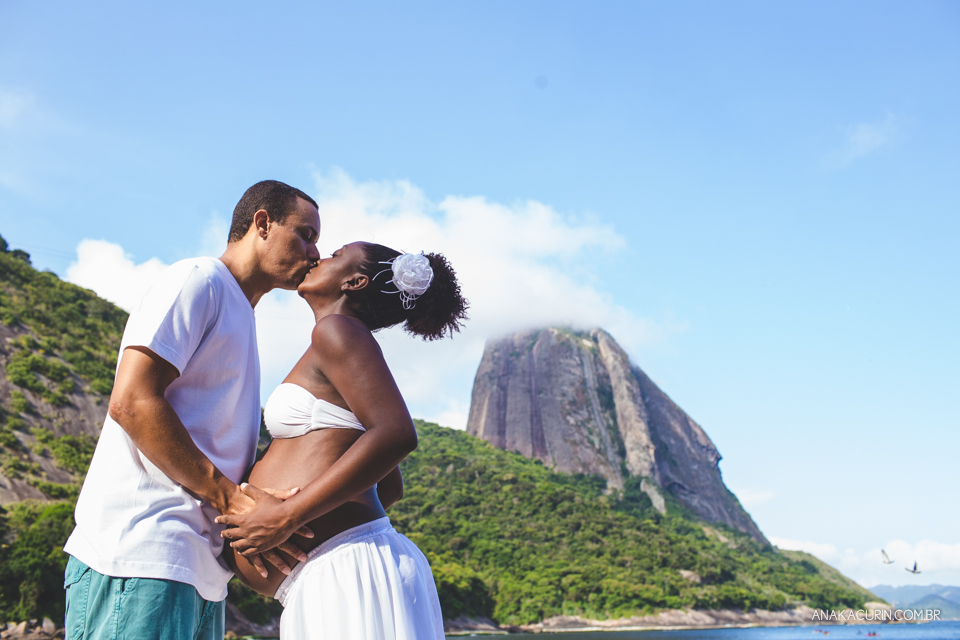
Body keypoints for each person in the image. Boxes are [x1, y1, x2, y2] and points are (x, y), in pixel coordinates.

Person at [62, 180, 321, 640]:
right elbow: (132, 401)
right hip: (143, 555)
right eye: (305, 234)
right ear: (262, 223)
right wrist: (231, 497)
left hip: (201, 572)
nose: (315, 253)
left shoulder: (242, 312)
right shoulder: (198, 280)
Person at [217, 241, 468, 639]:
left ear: (355, 281)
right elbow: (390, 486)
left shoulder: (337, 330)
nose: (318, 258)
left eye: (334, 254)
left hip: (344, 571)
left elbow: (397, 434)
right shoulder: (340, 342)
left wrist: (288, 517)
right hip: (337, 571)